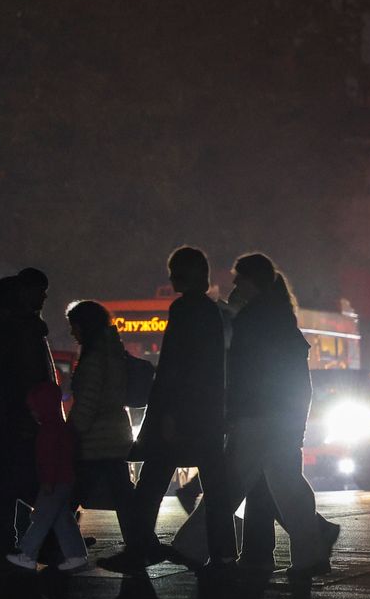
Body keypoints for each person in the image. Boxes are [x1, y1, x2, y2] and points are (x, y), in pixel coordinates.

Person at [209, 253, 333, 579]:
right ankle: (309, 552)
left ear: (251, 281)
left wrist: (231, 413)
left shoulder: (250, 321)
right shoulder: (280, 318)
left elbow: (243, 375)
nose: (234, 284)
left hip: (256, 415)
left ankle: (191, 548)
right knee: (287, 484)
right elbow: (295, 379)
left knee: (229, 484)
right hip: (281, 415)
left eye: (239, 278)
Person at [119, 247, 234, 570]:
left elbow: (174, 366)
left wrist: (167, 413)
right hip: (207, 413)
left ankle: (140, 545)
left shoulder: (183, 309)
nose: (170, 278)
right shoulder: (211, 312)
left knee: (152, 482)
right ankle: (224, 552)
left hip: (179, 413)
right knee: (216, 485)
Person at [65, 300, 155, 566]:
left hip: (96, 438)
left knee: (70, 492)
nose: (72, 333)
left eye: (75, 326)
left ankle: (54, 539)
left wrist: (72, 432)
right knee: (121, 494)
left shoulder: (94, 359)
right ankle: (139, 545)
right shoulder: (113, 352)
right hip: (113, 434)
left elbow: (89, 401)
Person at [6, 355, 88, 572]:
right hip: (64, 481)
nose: (33, 413)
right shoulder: (61, 428)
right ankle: (76, 554)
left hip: (54, 482)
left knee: (41, 519)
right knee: (62, 520)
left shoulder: (47, 431)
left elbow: (50, 461)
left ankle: (27, 553)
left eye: (35, 408)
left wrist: (47, 482)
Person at [0, 275, 42, 553]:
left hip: (10, 416)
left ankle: (10, 535)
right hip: (21, 416)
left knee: (7, 480)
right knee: (20, 479)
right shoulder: (30, 331)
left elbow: (10, 378)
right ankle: (51, 527)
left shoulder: (9, 334)